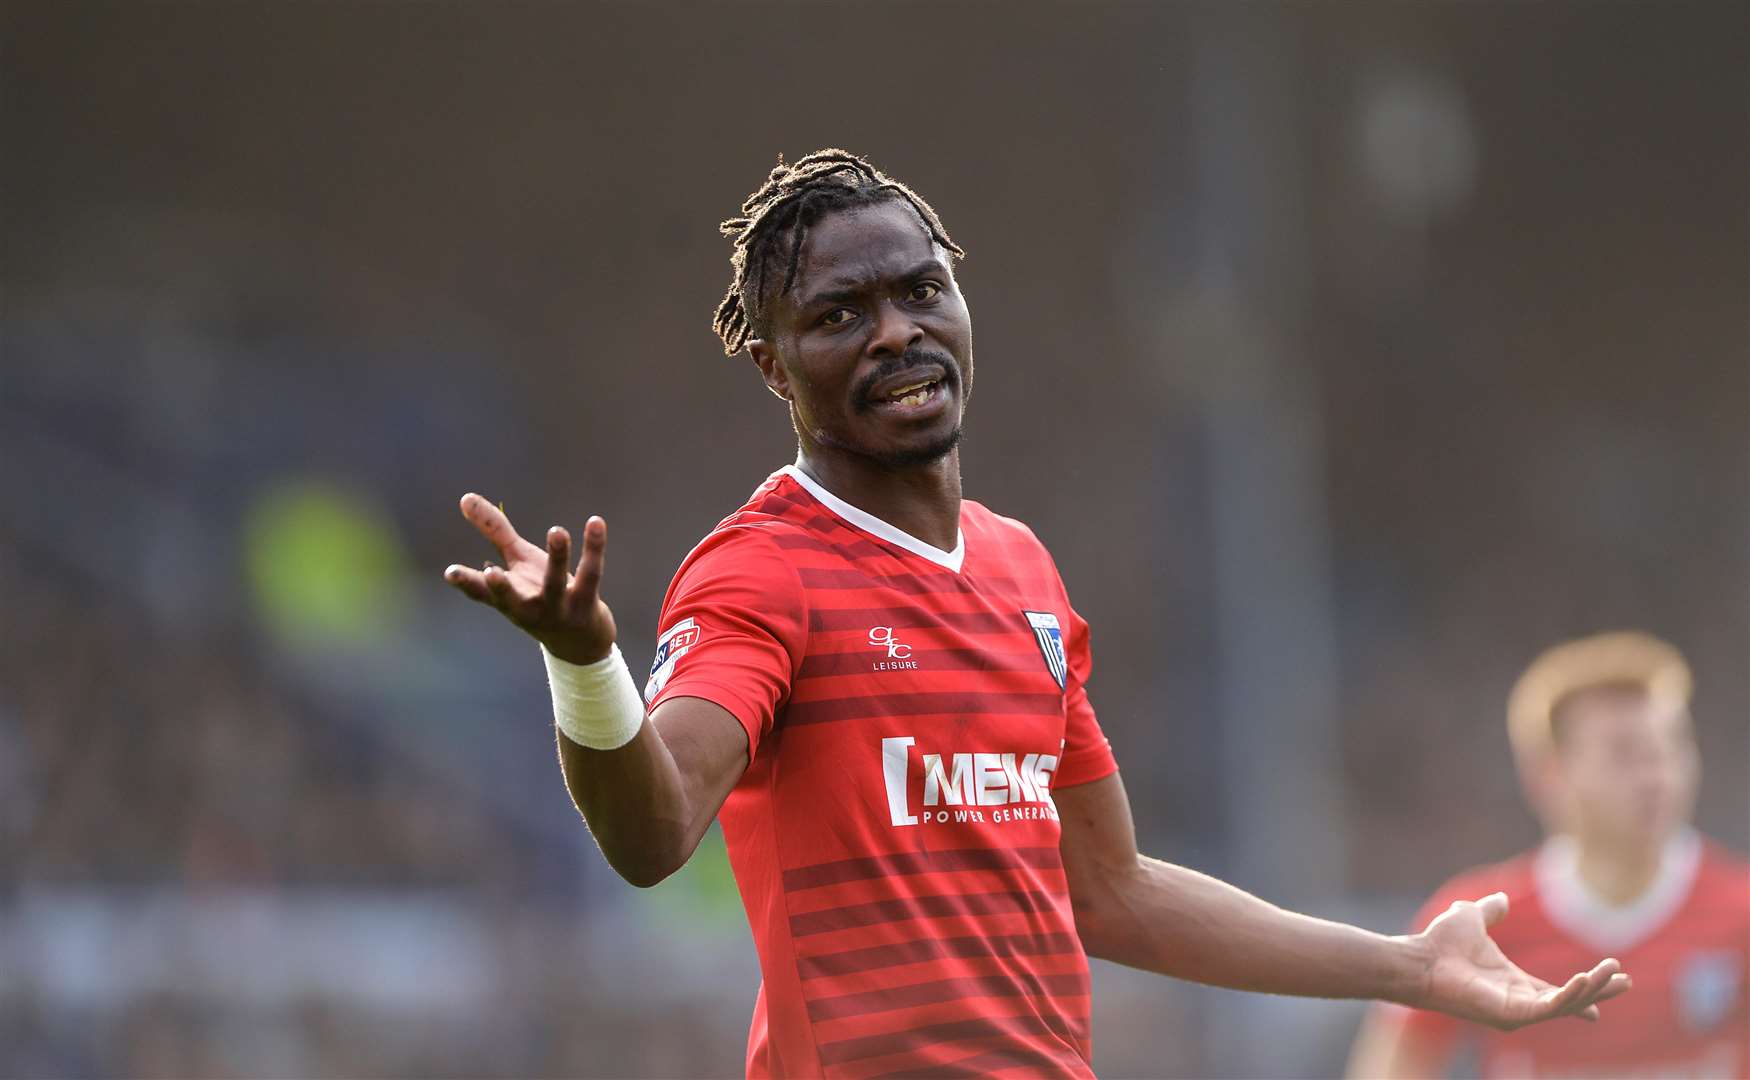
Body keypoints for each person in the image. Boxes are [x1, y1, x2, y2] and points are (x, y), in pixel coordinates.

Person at [444, 149, 1629, 1078]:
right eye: (841, 313)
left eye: (920, 290)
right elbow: (652, 839)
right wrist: (586, 664)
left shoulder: (1019, 570)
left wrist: (1409, 967)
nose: (897, 329)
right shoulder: (761, 573)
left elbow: (1108, 889)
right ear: (772, 366)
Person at [1347, 631, 1749, 1079]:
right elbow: (1395, 1066)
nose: (1657, 774)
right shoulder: (1482, 919)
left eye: (1670, 746)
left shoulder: (1742, 913)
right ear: (1550, 774)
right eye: (1624, 753)